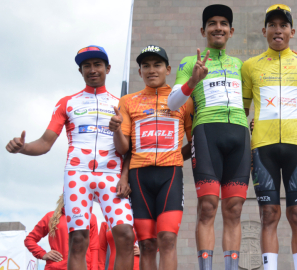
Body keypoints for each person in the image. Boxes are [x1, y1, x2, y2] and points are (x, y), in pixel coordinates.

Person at [6, 45, 135, 270]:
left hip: (112, 175)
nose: (92, 69)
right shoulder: (67, 102)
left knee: (125, 235)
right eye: (86, 66)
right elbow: (45, 143)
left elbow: (128, 149)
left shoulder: (122, 104)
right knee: (78, 239)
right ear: (81, 71)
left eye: (97, 65)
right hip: (78, 175)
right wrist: (22, 148)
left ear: (108, 68)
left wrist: (126, 177)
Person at [167, 4, 250, 270]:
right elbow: (172, 103)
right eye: (212, 23)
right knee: (208, 206)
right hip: (206, 132)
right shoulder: (190, 63)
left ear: (231, 31)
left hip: (239, 133)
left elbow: (249, 103)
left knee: (235, 208)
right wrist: (193, 81)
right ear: (203, 30)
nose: (218, 27)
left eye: (223, 23)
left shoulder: (240, 65)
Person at [241, 4, 297, 270]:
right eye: (272, 25)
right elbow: (243, 110)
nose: (278, 30)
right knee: (268, 214)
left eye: (283, 25)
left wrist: (296, 126)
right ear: (264, 31)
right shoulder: (250, 66)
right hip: (262, 148)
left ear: (292, 31)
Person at [109, 45, 193, 270]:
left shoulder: (183, 99)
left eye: (157, 65)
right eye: (145, 66)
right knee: (147, 244)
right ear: (139, 72)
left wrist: (175, 156)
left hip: (170, 175)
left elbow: (194, 142)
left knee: (167, 239)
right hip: (139, 177)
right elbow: (123, 148)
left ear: (168, 69)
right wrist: (116, 129)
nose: (151, 70)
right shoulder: (128, 101)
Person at [24, 195, 99, 270]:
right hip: (56, 267)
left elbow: (94, 248)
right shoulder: (51, 217)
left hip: (82, 266)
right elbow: (29, 240)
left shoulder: (90, 217)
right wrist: (42, 254)